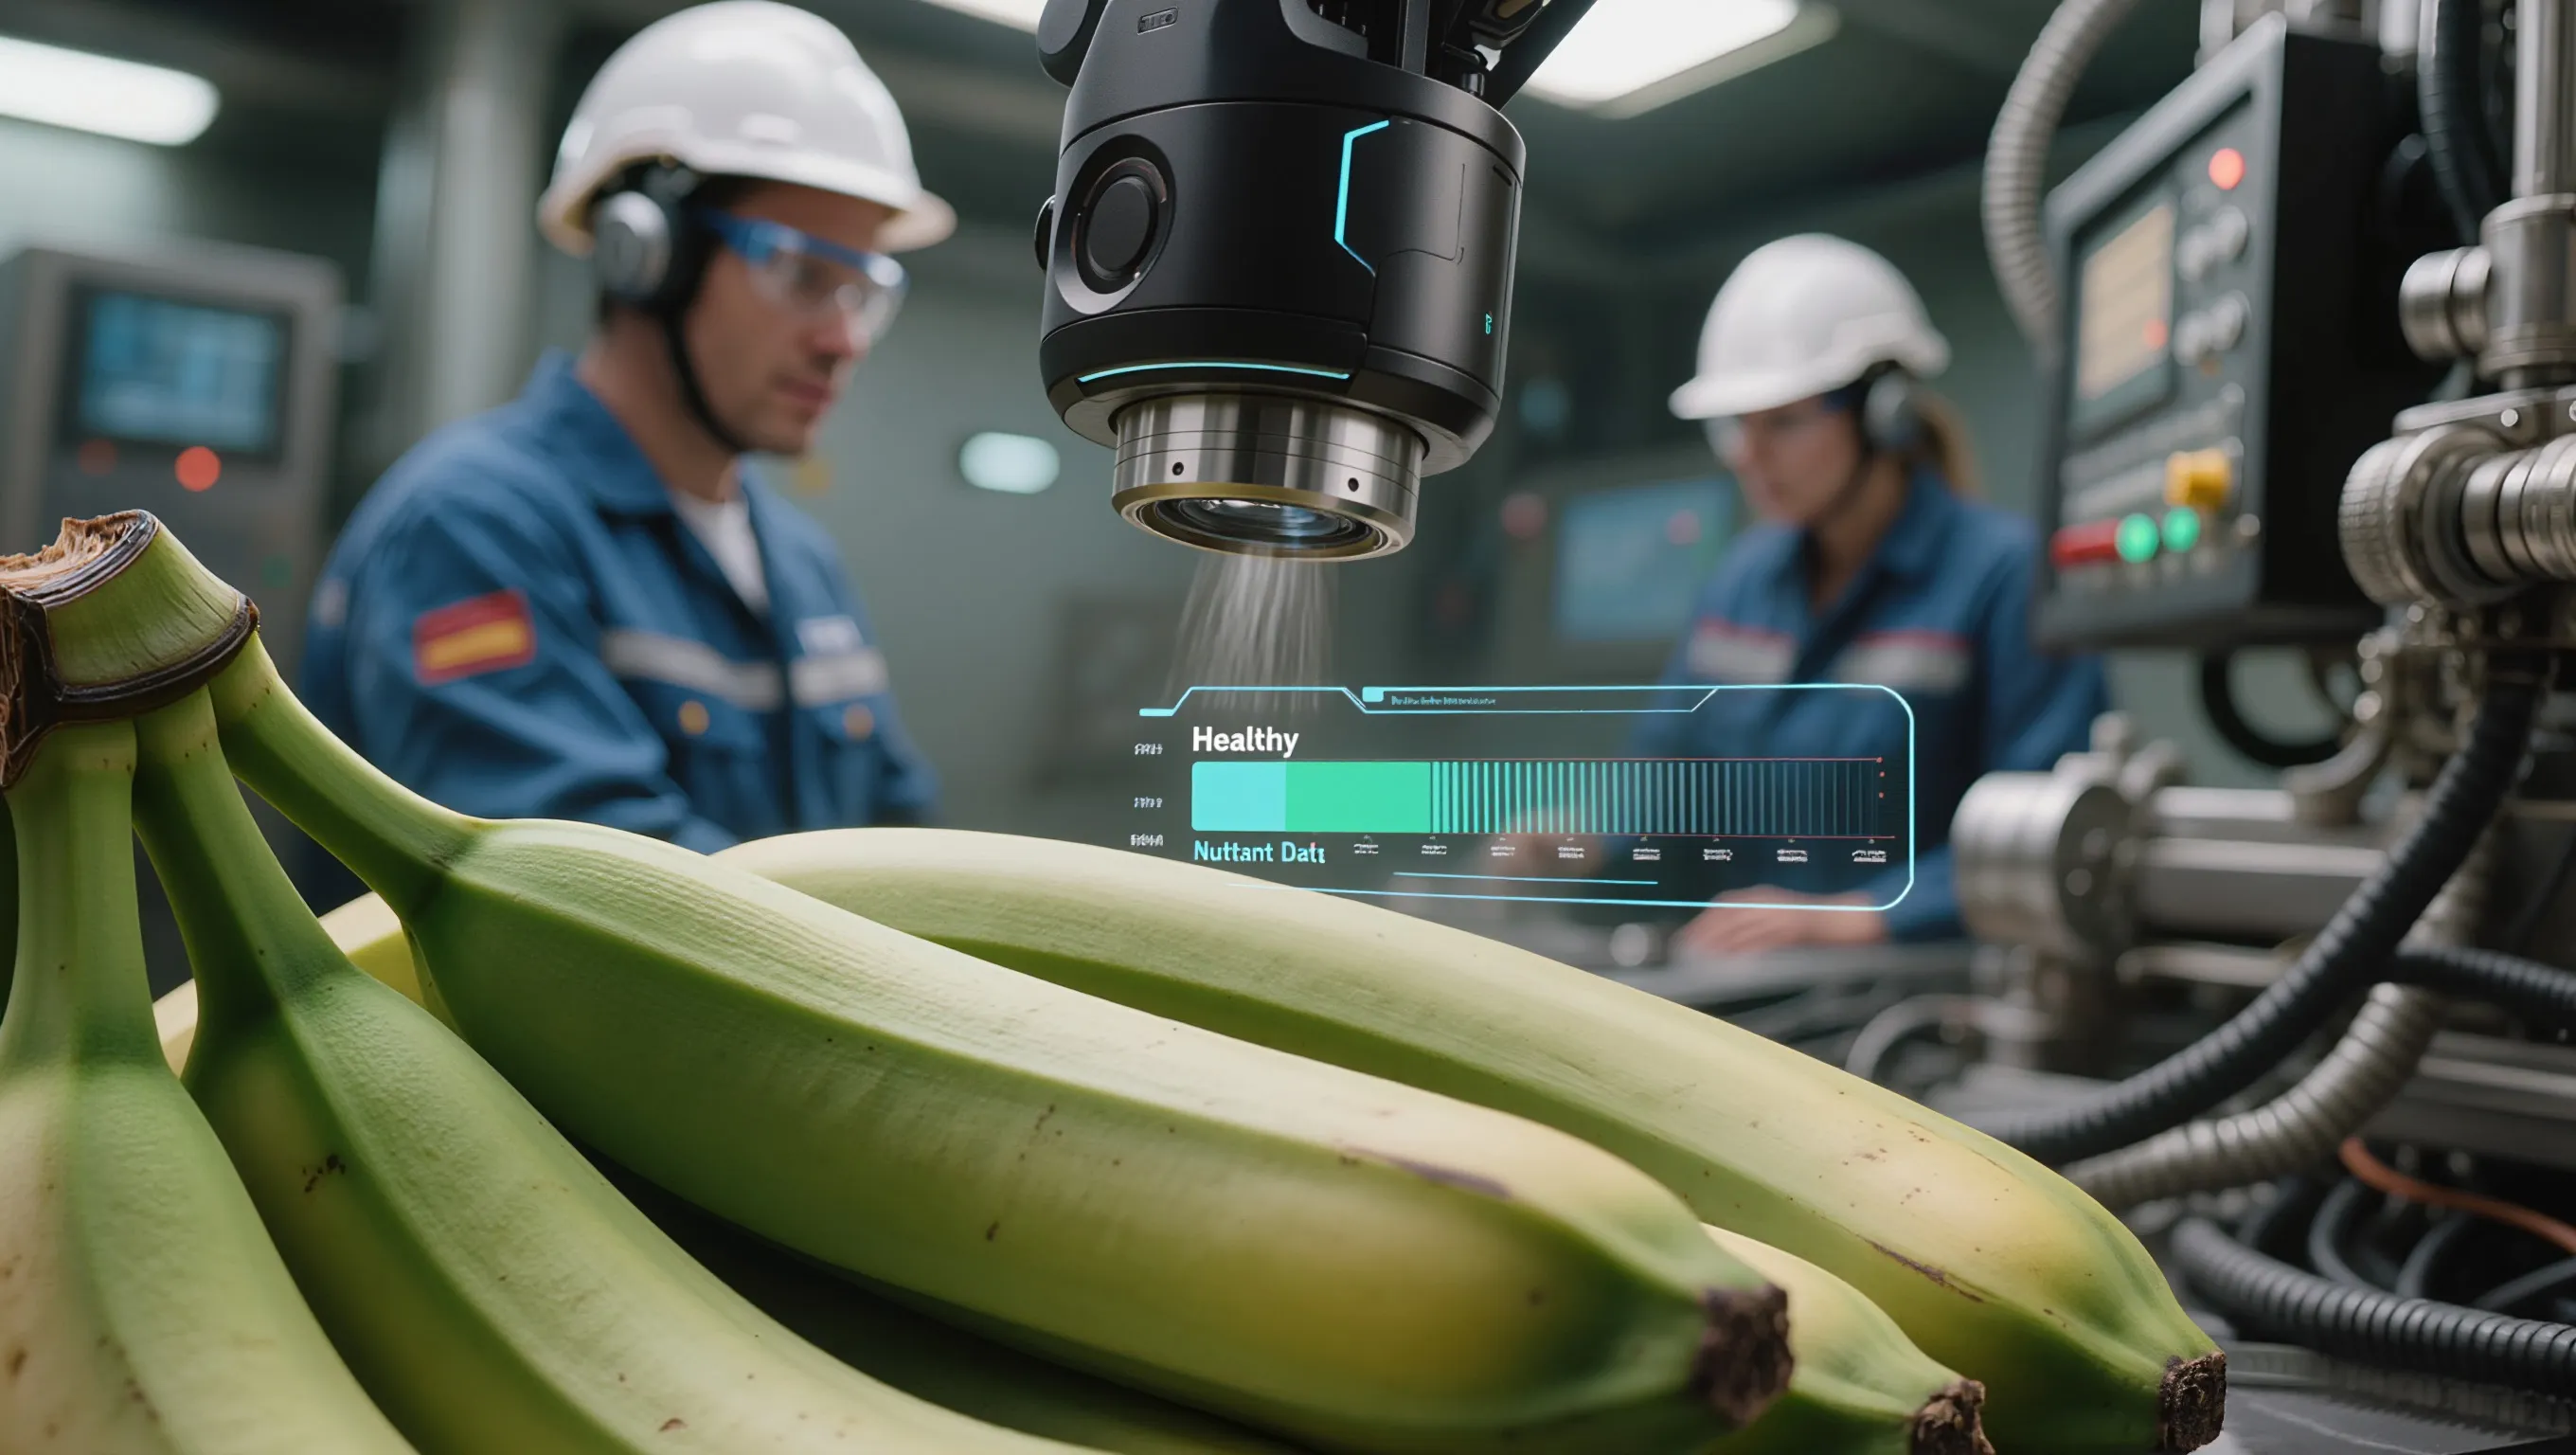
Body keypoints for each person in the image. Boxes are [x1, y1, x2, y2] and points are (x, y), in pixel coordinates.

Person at [302, 1, 950, 852]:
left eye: (864, 289)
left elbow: (904, 840)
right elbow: (591, 913)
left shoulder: (801, 563)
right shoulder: (474, 525)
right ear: (646, 253)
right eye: (801, 273)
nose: (844, 340)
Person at [1642, 234, 2108, 954]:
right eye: (1736, 424)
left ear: (1882, 412)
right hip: (1748, 988)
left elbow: (2047, 834)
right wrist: (1575, 837)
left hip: (1928, 1004)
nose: (1747, 454)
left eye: (1783, 422)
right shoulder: (1742, 578)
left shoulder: (2004, 576)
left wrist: (1861, 915)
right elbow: (1664, 775)